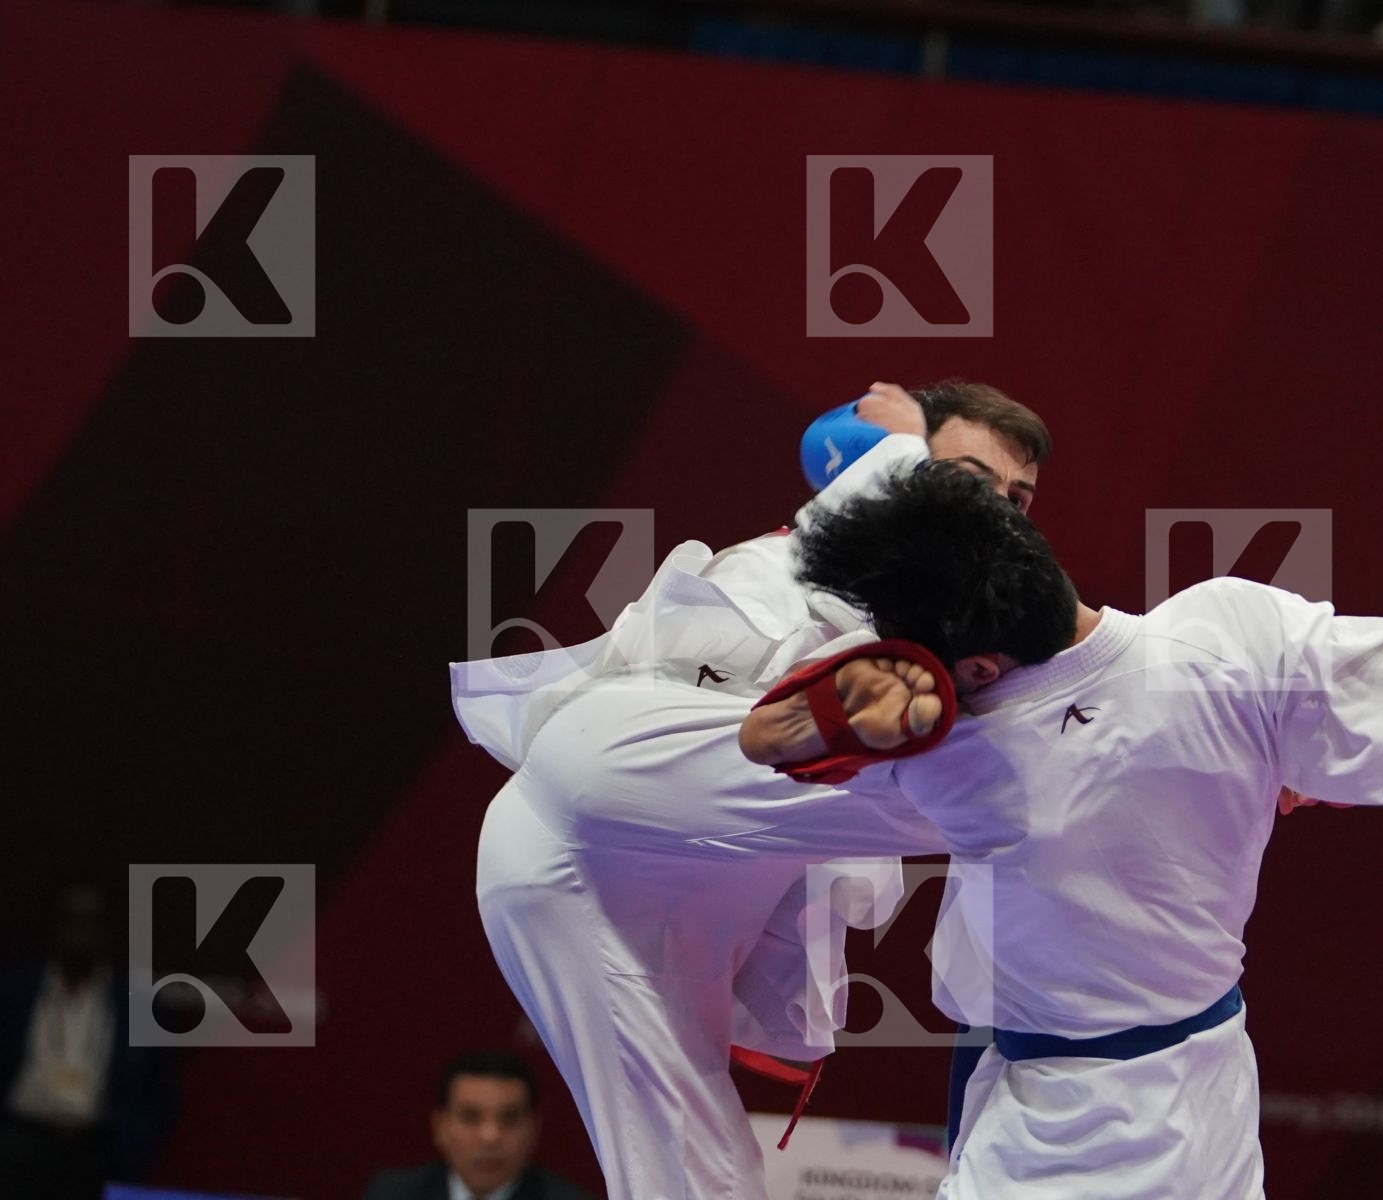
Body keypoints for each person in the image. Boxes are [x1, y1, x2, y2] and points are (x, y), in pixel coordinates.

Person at [739, 463, 1383, 1199]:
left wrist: (840, 712)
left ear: (971, 665)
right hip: (1204, 1081)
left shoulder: (947, 751)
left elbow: (749, 749)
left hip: (1065, 1142)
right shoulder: (1231, 636)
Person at [457, 382, 1050, 1200]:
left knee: (698, 1177)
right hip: (608, 785)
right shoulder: (806, 553)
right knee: (1016, 784)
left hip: (635, 893)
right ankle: (821, 726)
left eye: (1018, 497)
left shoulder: (970, 616)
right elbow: (882, 531)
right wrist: (899, 443)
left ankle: (846, 730)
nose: (1000, 509)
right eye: (972, 479)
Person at [0, 883, 179, 1199]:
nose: (79, 932)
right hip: (19, 1141)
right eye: (70, 919)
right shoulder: (13, 992)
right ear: (53, 926)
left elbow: (159, 1087)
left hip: (96, 1150)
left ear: (108, 931)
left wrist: (138, 1140)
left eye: (91, 921)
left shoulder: (138, 1004)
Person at [362, 1050, 597, 1200]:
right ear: (440, 1126)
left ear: (533, 1129)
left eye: (510, 1118)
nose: (490, 1136)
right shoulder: (393, 1194)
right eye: (470, 1117)